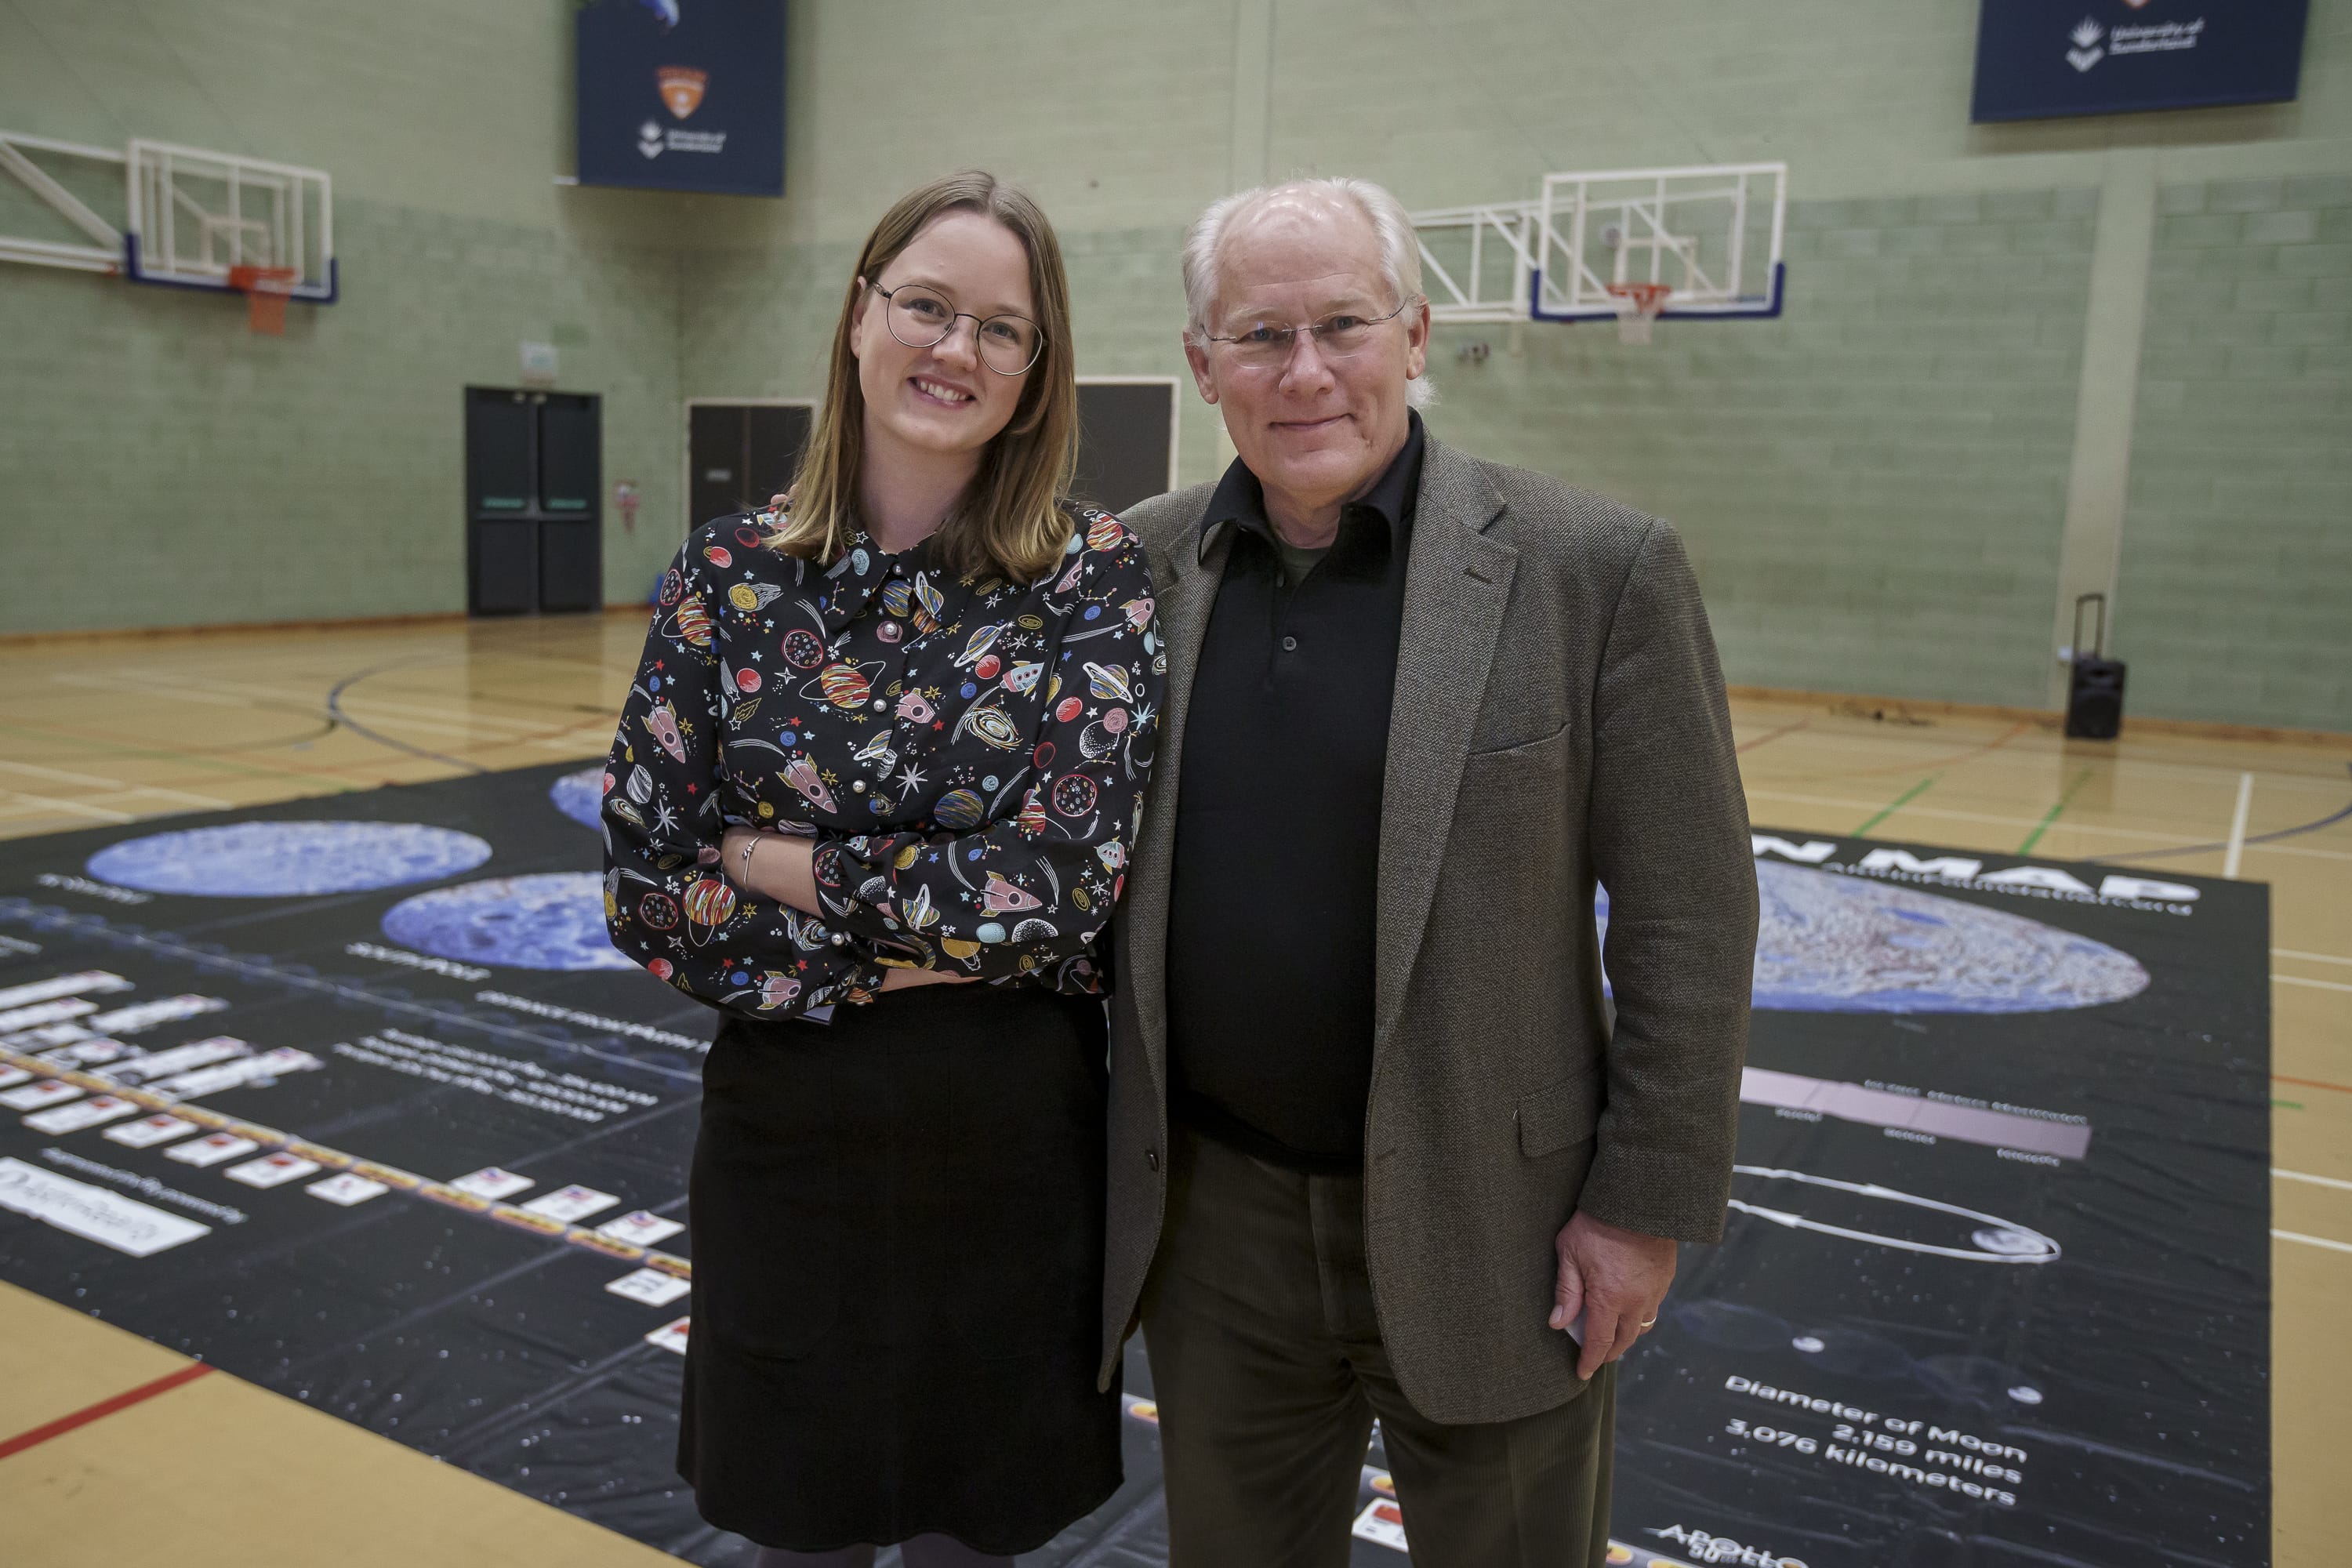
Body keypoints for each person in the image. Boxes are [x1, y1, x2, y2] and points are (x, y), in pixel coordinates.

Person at [1100, 177, 1759, 1566]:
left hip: (1500, 1225)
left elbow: (1689, 918)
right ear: (1202, 365)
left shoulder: (1595, 569)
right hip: (1217, 1240)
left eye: (1344, 322)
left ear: (1416, 336)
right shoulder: (1136, 570)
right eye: (1260, 334)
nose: (1306, 370)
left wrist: (1640, 1208)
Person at [600, 170, 1163, 1568]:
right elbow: (649, 887)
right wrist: (909, 944)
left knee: (984, 1528)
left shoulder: (1091, 578)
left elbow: (1054, 891)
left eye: (1001, 328)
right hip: (792, 1126)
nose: (955, 350)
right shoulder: (727, 577)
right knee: (801, 1519)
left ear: (1037, 373)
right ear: (860, 316)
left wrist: (775, 859)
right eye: (927, 305)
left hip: (1014, 1135)